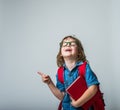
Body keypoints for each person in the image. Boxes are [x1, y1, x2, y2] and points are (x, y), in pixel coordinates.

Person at [37, 35, 102, 110]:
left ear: (79, 52)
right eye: (64, 44)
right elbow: (62, 96)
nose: (68, 45)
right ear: (61, 53)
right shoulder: (60, 72)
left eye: (72, 44)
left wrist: (78, 103)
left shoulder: (85, 67)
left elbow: (93, 88)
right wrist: (49, 83)